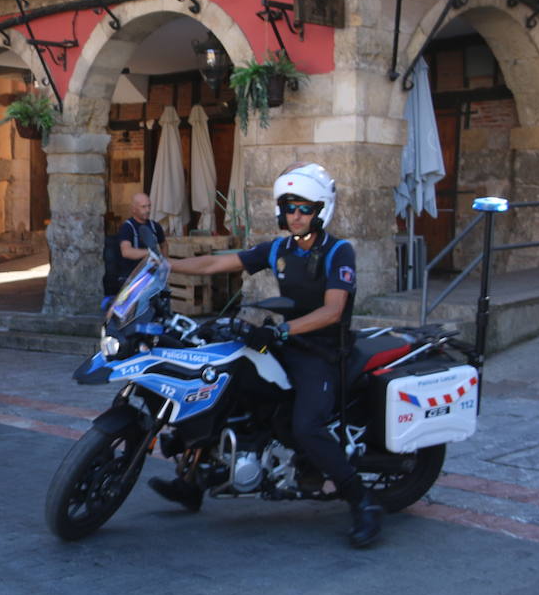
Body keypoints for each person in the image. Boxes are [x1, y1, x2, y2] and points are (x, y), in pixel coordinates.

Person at [147, 162, 384, 548]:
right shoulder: (278, 249)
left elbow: (332, 311)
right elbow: (214, 263)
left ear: (321, 210)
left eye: (304, 208)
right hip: (284, 343)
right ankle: (191, 482)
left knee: (307, 426)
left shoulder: (339, 252)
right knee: (223, 383)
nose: (295, 215)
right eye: (289, 207)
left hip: (323, 352)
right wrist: (165, 266)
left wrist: (281, 329)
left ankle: (363, 502)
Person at [114, 192, 166, 291]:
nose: (148, 210)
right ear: (134, 209)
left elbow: (164, 244)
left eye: (149, 206)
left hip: (151, 277)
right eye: (143, 207)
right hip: (131, 279)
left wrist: (163, 262)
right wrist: (150, 253)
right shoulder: (127, 227)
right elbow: (126, 252)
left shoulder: (155, 226)